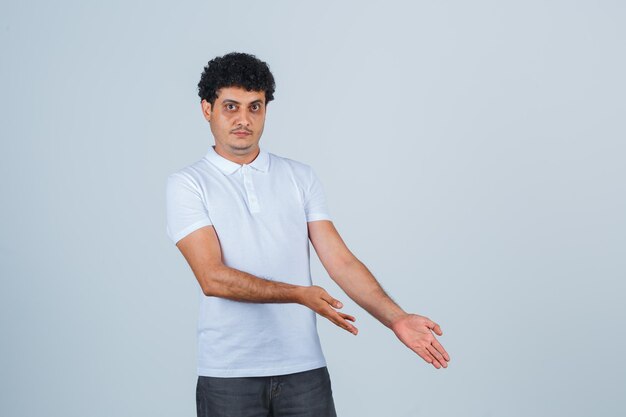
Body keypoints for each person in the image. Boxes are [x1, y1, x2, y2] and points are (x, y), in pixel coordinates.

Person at [165, 52, 450, 417]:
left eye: (255, 107)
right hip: (229, 374)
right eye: (231, 106)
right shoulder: (188, 184)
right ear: (207, 109)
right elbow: (212, 277)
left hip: (304, 372)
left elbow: (341, 261)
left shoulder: (299, 177)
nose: (243, 119)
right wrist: (299, 294)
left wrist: (397, 318)